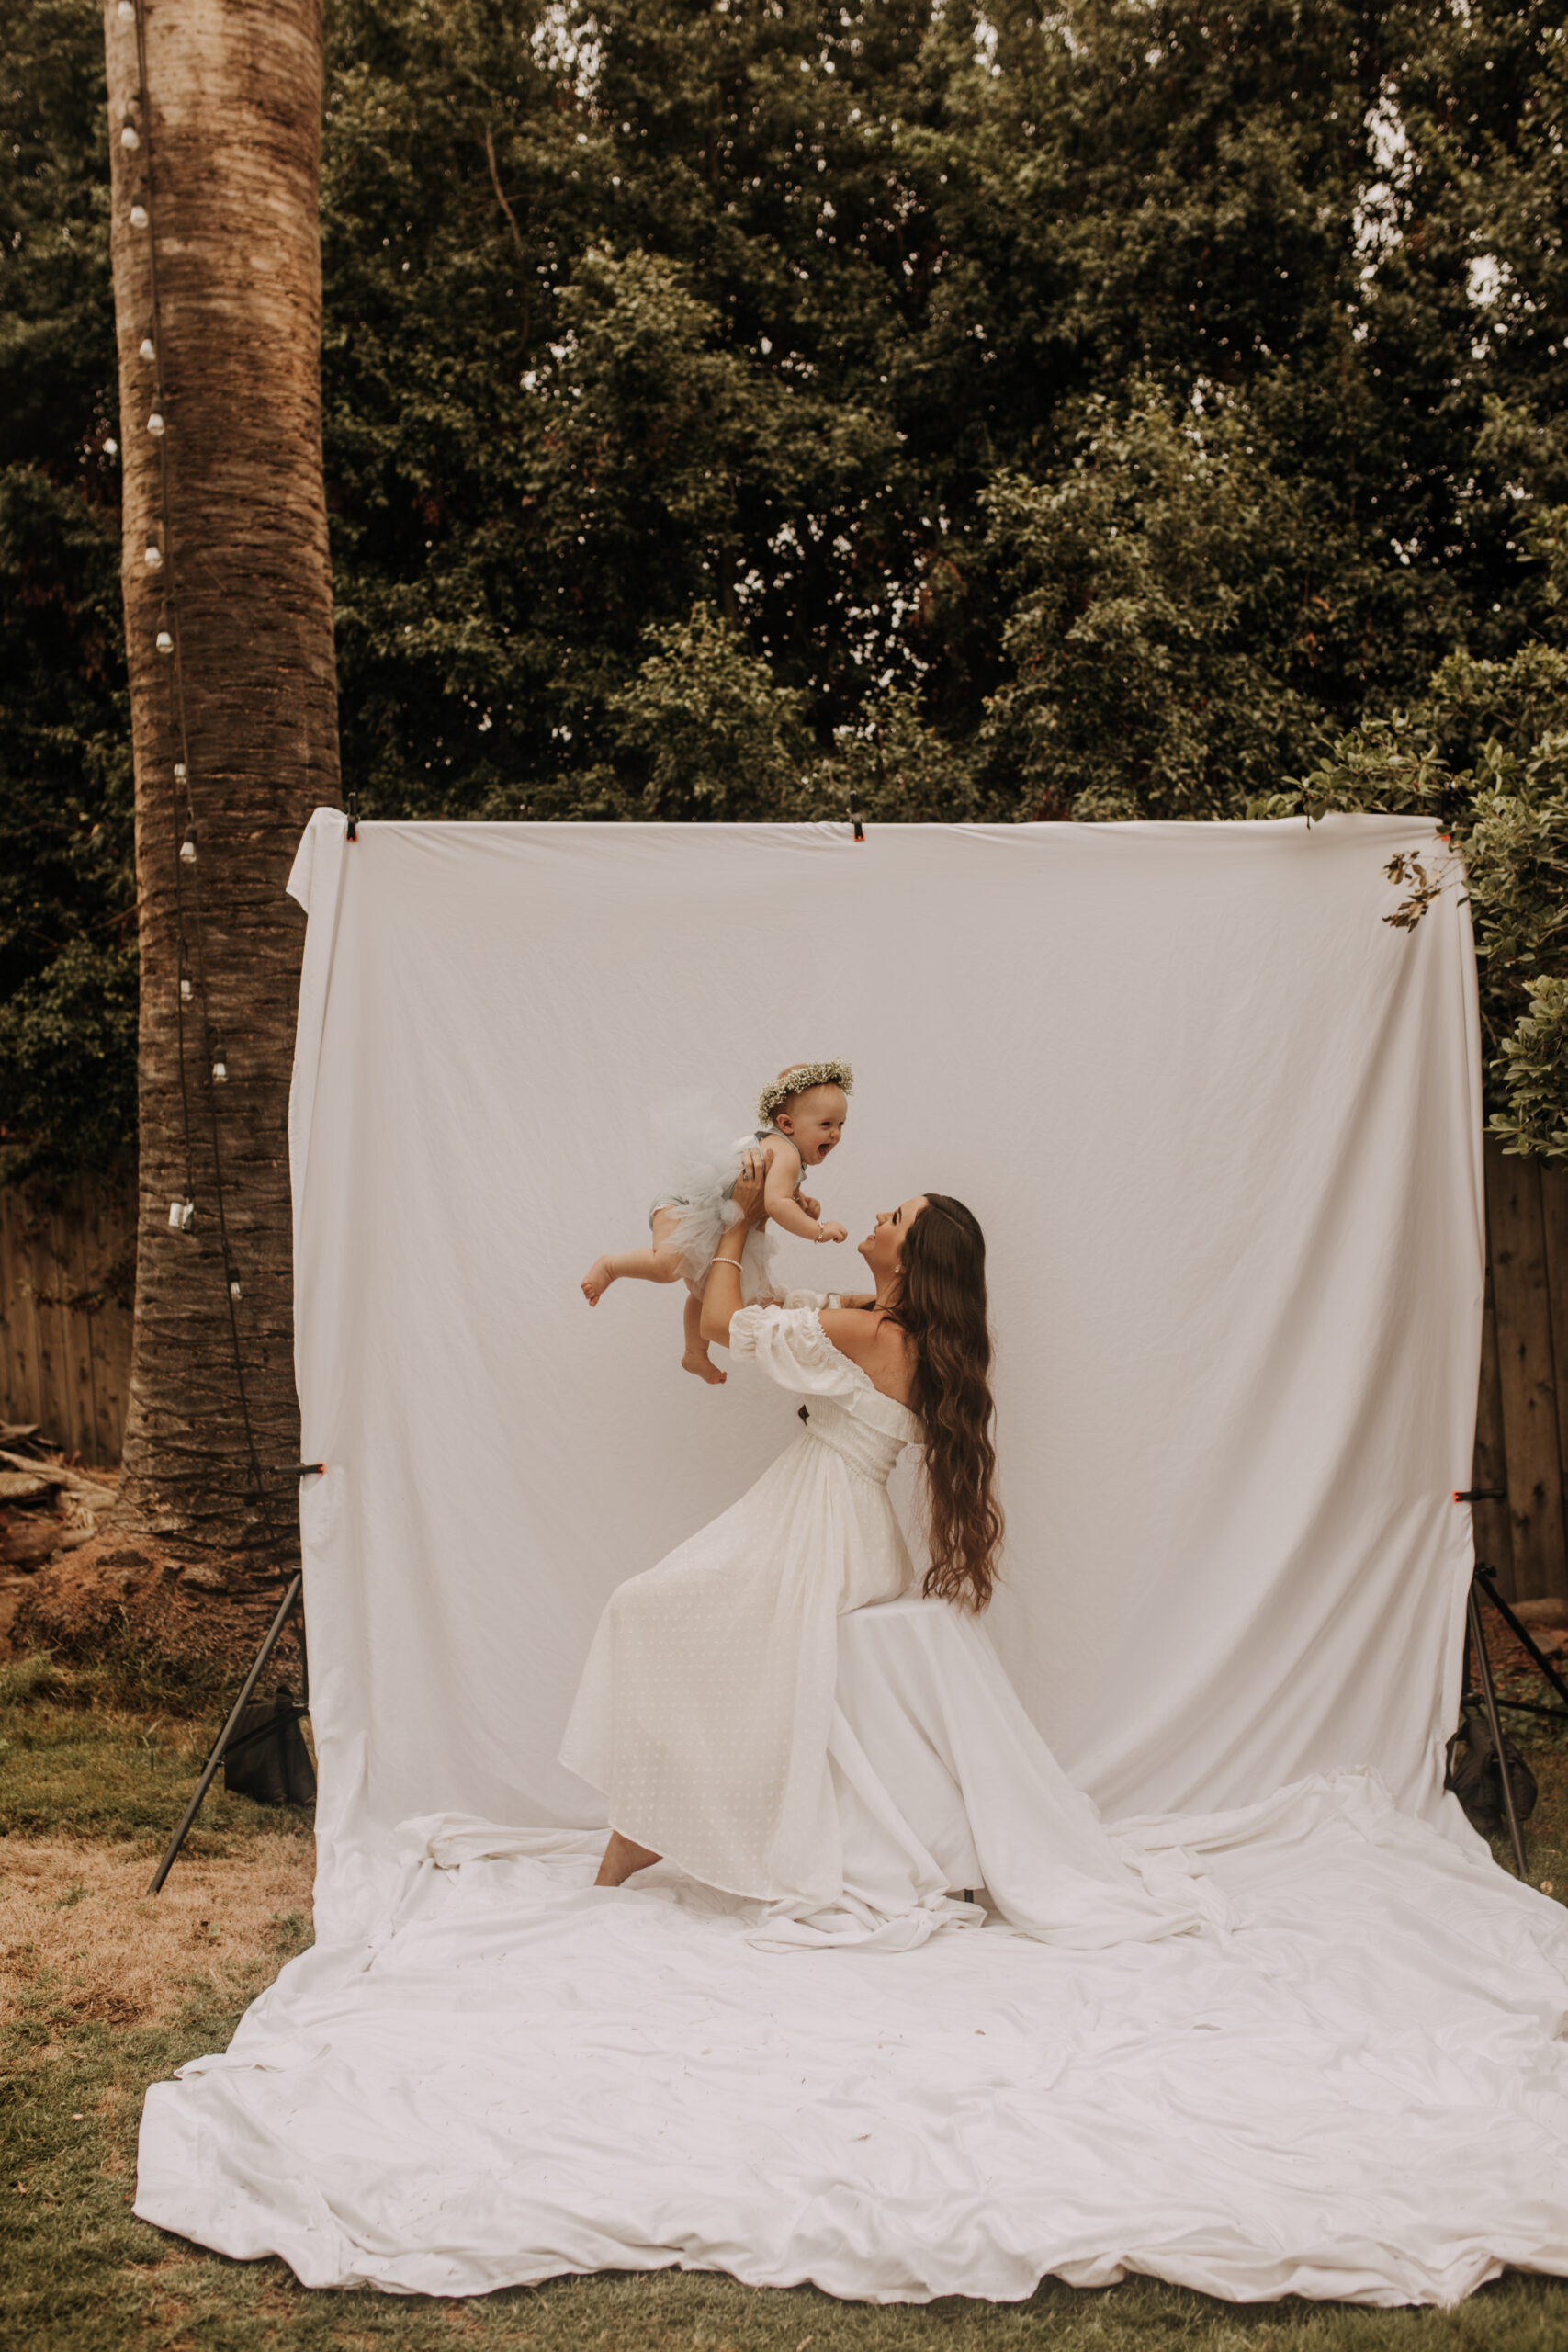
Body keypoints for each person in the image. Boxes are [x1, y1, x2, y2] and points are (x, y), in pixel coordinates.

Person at [559, 1148, 1002, 1898]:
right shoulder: (878, 1326)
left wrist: (734, 1224)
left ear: (911, 1258)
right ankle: (641, 1828)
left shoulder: (875, 1337)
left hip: (820, 1525)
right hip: (832, 1516)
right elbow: (779, 1306)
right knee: (660, 1611)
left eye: (893, 1219)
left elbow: (726, 1322)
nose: (875, 1218)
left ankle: (644, 1830)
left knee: (647, 1606)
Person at [580, 1061, 853, 1385]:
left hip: (713, 1218)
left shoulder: (782, 1148)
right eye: (825, 1124)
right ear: (786, 1123)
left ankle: (694, 1353)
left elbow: (782, 1196)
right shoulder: (788, 1154)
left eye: (840, 1124)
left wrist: (804, 1203)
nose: (835, 1134)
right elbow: (776, 1204)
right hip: (686, 1205)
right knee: (667, 1265)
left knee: (706, 1291)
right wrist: (818, 1231)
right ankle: (611, 1266)